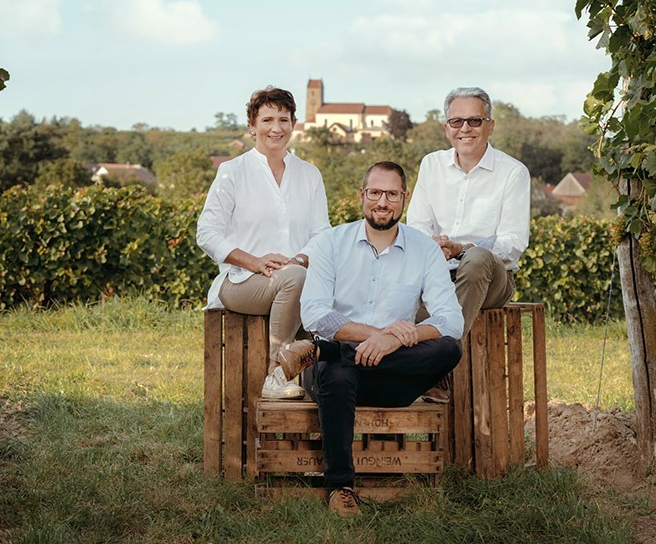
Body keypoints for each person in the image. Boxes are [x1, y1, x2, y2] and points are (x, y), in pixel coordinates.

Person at [278, 161, 463, 517]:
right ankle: (340, 488)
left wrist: (392, 343)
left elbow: (450, 319)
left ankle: (324, 350)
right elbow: (315, 312)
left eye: (392, 194)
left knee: (448, 347)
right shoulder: (331, 242)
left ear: (404, 199)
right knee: (335, 371)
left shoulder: (424, 249)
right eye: (375, 192)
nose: (383, 201)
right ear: (362, 195)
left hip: (393, 379)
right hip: (341, 379)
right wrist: (381, 335)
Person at [197, 86, 330, 400]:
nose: (276, 128)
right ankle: (277, 374)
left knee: (308, 283)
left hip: (297, 277)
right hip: (242, 282)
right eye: (267, 119)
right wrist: (254, 261)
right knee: (297, 281)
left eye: (283, 120)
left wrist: (297, 259)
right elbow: (207, 232)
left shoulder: (310, 175)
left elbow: (322, 234)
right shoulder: (232, 172)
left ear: (293, 125)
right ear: (252, 126)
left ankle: (330, 391)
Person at [407, 87, 531, 403]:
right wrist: (434, 246)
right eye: (457, 121)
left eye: (474, 121)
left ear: (490, 125)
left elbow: (514, 242)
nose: (465, 129)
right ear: (446, 127)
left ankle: (439, 366)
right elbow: (417, 229)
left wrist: (461, 248)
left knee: (476, 259)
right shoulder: (431, 165)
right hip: (439, 278)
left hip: (491, 279)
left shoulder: (512, 172)